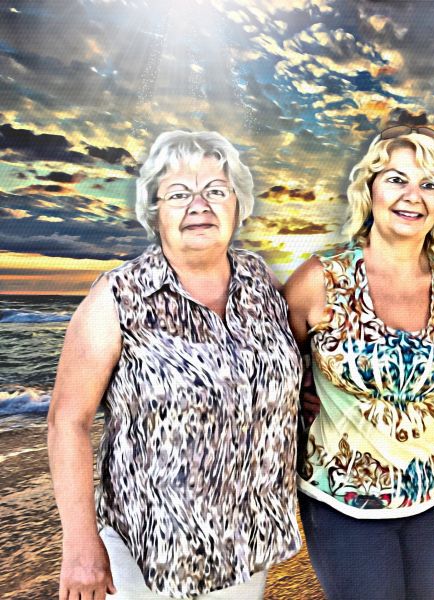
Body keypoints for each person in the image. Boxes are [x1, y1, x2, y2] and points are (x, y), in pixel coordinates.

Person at [47, 131, 303, 600]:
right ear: (155, 212)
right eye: (179, 194)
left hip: (246, 542)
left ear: (238, 206)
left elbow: (285, 371)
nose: (199, 205)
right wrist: (80, 544)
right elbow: (67, 420)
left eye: (216, 191)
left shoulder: (261, 280)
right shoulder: (117, 297)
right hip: (152, 551)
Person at [283, 125, 434, 600]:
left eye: (429, 184)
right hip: (343, 504)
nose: (412, 196)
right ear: (369, 189)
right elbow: (276, 373)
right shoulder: (321, 279)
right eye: (397, 179)